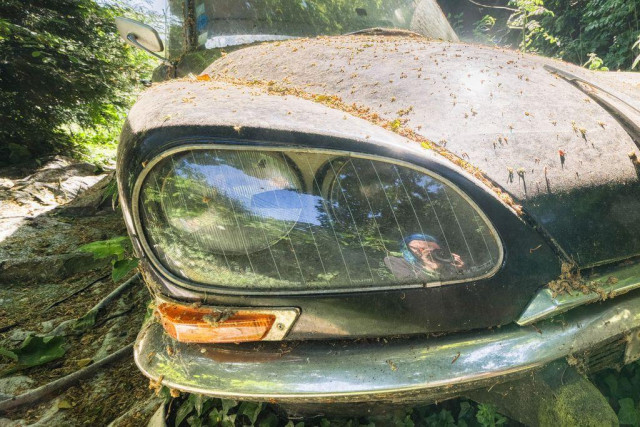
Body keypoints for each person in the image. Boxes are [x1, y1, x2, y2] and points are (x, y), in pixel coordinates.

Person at [383, 234, 464, 281]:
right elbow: (411, 284)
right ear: (407, 249)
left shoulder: (444, 263)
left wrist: (459, 269)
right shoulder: (394, 261)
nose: (430, 251)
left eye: (435, 250)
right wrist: (428, 269)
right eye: (421, 248)